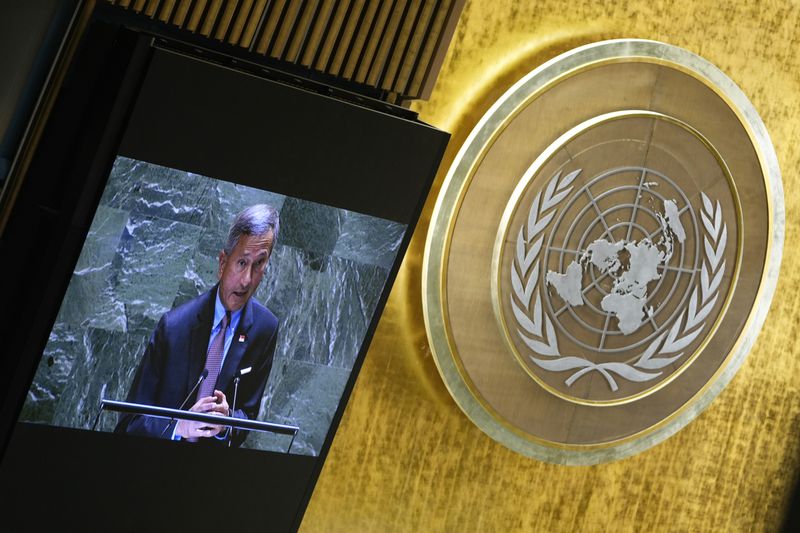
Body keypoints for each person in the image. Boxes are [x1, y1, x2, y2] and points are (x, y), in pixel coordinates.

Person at [115, 205, 280, 447]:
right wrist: (181, 425)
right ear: (223, 263)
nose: (247, 280)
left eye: (258, 264)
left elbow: (248, 416)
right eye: (242, 263)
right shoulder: (174, 327)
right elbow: (130, 421)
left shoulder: (265, 329)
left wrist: (227, 422)